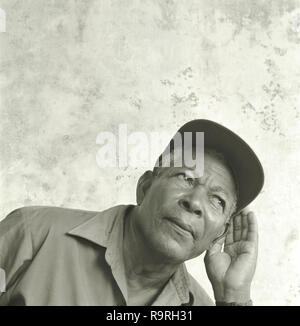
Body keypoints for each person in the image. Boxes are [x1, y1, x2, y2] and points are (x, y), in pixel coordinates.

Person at [0, 119, 264, 306]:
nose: (195, 202)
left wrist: (234, 295)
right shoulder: (33, 233)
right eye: (185, 177)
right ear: (145, 187)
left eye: (216, 200)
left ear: (220, 234)